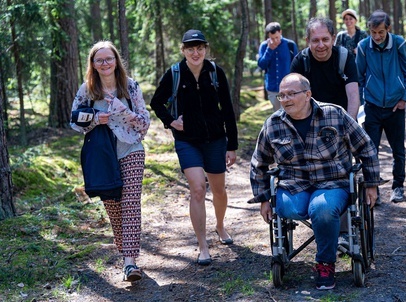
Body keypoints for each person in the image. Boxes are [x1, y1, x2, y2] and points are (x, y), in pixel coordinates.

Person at [250, 73, 380, 290]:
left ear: (308, 94)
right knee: (287, 208)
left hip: (332, 183)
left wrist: (371, 183)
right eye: (282, 95)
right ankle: (293, 247)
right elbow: (258, 163)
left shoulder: (334, 114)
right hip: (294, 184)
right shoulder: (273, 124)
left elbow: (365, 146)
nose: (286, 99)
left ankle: (325, 263)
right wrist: (263, 198)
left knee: (321, 209)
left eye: (292, 94)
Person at [150, 29, 238, 266]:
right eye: (191, 48)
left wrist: (232, 145)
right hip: (187, 140)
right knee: (198, 189)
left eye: (200, 48)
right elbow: (156, 102)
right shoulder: (175, 74)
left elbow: (228, 109)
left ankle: (220, 226)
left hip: (216, 139)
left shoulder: (215, 72)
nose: (196, 52)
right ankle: (202, 246)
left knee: (218, 190)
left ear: (205, 49)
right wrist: (171, 121)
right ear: (183, 50)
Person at [70, 41, 150, 282]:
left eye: (109, 58)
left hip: (131, 149)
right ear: (93, 65)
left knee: (130, 202)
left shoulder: (130, 86)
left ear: (116, 61)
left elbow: (145, 122)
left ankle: (130, 262)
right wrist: (96, 119)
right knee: (114, 207)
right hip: (103, 156)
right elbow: (75, 121)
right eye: (99, 60)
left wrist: (120, 110)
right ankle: (124, 248)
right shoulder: (87, 89)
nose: (105, 63)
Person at [356, 10, 406, 203]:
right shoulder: (363, 47)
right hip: (372, 107)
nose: (377, 36)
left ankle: (398, 187)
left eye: (380, 32)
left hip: (395, 107)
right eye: (373, 32)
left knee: (398, 150)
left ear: (388, 29)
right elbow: (359, 77)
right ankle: (374, 191)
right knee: (371, 151)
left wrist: (404, 97)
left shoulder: (399, 44)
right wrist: (364, 103)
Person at [290, 17, 360, 120]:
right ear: (307, 41)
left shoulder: (344, 57)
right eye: (315, 40)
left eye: (325, 39)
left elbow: (353, 94)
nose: (321, 45)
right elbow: (292, 97)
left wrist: (350, 124)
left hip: (342, 118)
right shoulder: (300, 61)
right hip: (311, 121)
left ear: (333, 39)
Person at [258, 22, 298, 111]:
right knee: (278, 112)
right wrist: (269, 50)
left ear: (280, 32)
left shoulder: (290, 45)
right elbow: (262, 65)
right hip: (274, 89)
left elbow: (296, 66)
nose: (275, 40)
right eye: (272, 38)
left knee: (289, 112)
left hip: (289, 88)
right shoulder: (264, 46)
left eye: (277, 37)